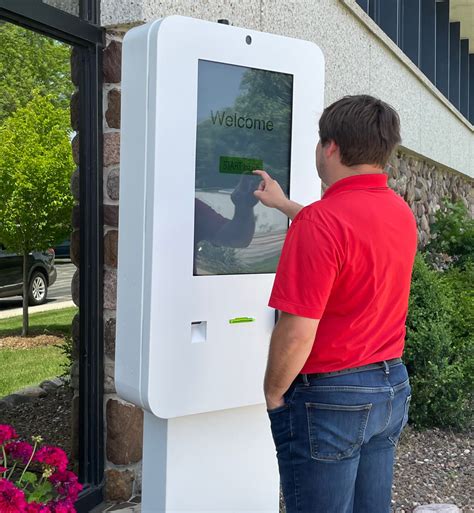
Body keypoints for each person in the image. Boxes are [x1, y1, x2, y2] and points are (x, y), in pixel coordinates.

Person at [253, 95, 417, 513]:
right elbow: (347, 232)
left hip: (330, 398)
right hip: (390, 387)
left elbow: (297, 330)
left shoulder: (321, 223)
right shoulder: (400, 213)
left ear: (331, 147)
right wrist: (286, 204)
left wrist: (273, 392)